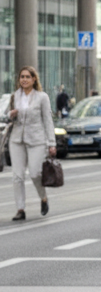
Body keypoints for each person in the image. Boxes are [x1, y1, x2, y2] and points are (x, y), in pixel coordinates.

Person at [6, 66, 56, 221]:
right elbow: (6, 116)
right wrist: (11, 115)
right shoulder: (15, 96)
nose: (24, 80)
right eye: (22, 77)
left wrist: (51, 142)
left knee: (35, 173)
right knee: (17, 176)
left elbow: (48, 120)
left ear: (34, 79)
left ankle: (43, 198)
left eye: (28, 77)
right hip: (17, 140)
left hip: (36, 140)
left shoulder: (42, 97)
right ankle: (20, 209)